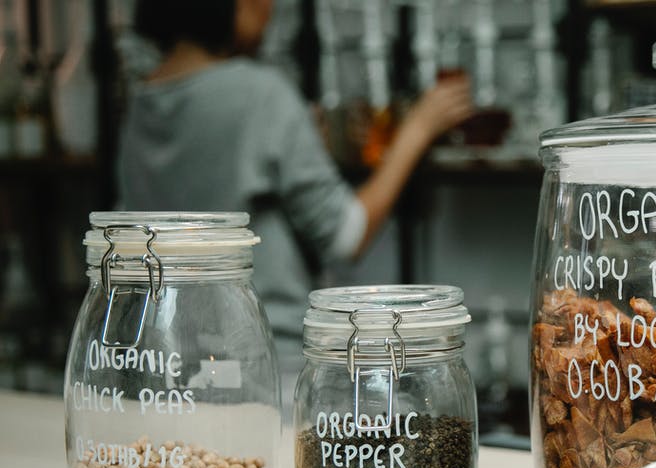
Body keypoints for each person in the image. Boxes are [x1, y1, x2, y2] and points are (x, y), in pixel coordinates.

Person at [117, 0, 473, 379]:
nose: (269, 8)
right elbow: (347, 236)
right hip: (261, 363)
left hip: (165, 364)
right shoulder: (260, 93)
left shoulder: (140, 104)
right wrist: (417, 129)